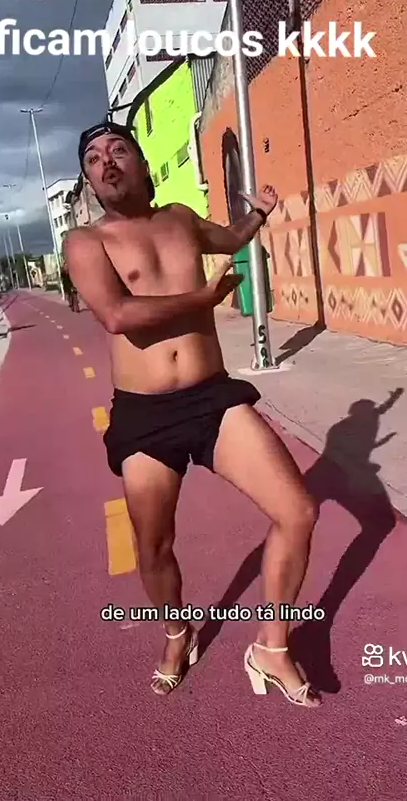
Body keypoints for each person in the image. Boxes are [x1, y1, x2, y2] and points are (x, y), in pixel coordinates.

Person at [65, 122, 321, 707]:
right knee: (154, 546)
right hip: (145, 414)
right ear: (88, 181)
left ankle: (272, 645)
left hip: (212, 398)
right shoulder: (86, 241)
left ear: (141, 162)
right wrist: (202, 300)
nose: (107, 162)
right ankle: (178, 631)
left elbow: (228, 240)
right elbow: (118, 315)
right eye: (94, 159)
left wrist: (258, 215)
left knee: (298, 512)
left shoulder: (180, 218)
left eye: (118, 150)